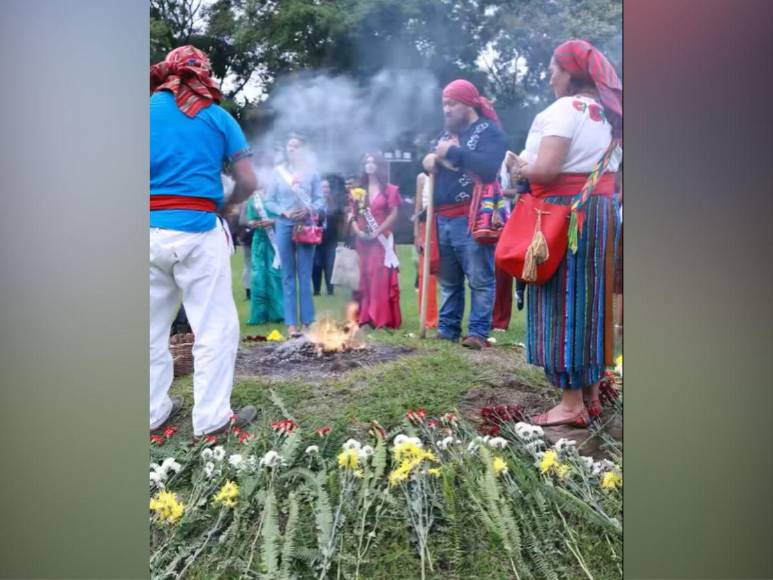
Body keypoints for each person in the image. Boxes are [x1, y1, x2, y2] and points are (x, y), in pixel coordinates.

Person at [510, 39, 623, 427]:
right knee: (592, 300)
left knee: (563, 298)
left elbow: (546, 170)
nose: (549, 75)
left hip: (565, 216)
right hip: (601, 212)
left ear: (571, 73)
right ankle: (591, 392)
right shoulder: (610, 115)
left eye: (553, 68)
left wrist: (519, 169)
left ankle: (571, 403)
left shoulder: (564, 110)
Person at [149, 45, 257, 437]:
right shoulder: (216, 115)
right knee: (214, 327)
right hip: (197, 229)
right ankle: (210, 420)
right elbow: (248, 182)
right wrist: (227, 207)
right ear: (203, 75)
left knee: (146, 330)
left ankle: (150, 412)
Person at [422, 80, 507, 349]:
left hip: (472, 218)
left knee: (480, 279)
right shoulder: (445, 135)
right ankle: (447, 328)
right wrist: (427, 161)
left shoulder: (488, 132)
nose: (446, 110)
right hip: (443, 217)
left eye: (451, 103)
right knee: (449, 280)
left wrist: (453, 153)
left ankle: (478, 333)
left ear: (468, 104)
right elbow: (432, 161)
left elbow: (488, 167)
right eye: (443, 104)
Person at [263, 134, 325, 337]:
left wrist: (309, 210)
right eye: (289, 146)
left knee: (304, 275)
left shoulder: (312, 174)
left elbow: (319, 200)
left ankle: (307, 321)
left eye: (296, 146)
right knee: (288, 275)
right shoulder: (277, 173)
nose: (292, 150)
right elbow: (269, 200)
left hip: (305, 224)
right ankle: (291, 323)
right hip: (284, 224)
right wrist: (284, 212)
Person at [348, 152, 402, 329]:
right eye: (367, 162)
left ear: (380, 165)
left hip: (381, 239)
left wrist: (378, 230)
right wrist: (358, 232)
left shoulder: (390, 189)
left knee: (379, 276)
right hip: (363, 241)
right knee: (363, 276)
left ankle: (380, 318)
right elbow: (352, 216)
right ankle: (364, 318)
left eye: (373, 162)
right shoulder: (358, 191)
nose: (370, 165)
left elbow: (394, 214)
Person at [246, 188, 284, 325]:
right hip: (259, 240)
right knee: (258, 276)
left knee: (274, 275)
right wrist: (253, 224)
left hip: (275, 240)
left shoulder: (277, 195)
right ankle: (259, 315)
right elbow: (249, 220)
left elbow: (284, 216)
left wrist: (272, 222)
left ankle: (278, 313)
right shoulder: (253, 199)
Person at [413, 172, 438, 328]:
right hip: (426, 226)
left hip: (444, 221)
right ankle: (428, 318)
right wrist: (416, 234)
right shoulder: (422, 177)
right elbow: (417, 208)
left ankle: (447, 316)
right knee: (426, 274)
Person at [312, 178, 340, 296]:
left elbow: (339, 219)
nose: (325, 189)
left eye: (327, 187)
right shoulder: (313, 203)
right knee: (316, 264)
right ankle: (317, 290)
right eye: (323, 187)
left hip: (330, 239)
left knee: (330, 264)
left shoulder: (334, 202)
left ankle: (330, 290)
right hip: (315, 238)